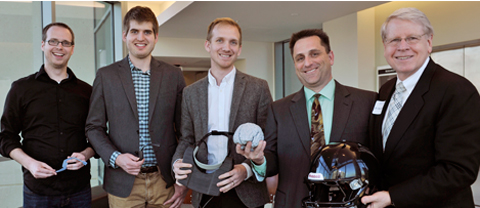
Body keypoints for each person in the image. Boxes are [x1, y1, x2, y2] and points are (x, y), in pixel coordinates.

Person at [242, 29, 377, 208]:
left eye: (314, 54)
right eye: (300, 58)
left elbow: (378, 158)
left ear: (331, 57)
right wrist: (259, 160)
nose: (307, 63)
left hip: (350, 203)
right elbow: (272, 160)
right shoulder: (278, 109)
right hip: (292, 202)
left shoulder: (366, 102)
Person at [361, 7, 480, 208]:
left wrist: (393, 197)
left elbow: (458, 170)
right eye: (394, 40)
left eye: (412, 38)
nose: (402, 46)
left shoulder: (456, 90)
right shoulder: (386, 89)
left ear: (429, 42)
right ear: (385, 46)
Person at [85, 6, 187, 208]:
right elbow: (93, 128)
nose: (141, 37)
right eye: (134, 31)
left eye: (147, 32)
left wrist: (181, 179)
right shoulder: (106, 76)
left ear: (156, 37)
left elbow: (185, 130)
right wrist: (116, 158)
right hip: (123, 183)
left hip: (164, 180)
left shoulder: (173, 75)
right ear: (124, 35)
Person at [171, 17, 272, 208]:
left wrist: (246, 169)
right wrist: (177, 162)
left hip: (246, 193)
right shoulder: (190, 93)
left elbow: (270, 141)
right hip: (205, 190)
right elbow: (186, 139)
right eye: (220, 41)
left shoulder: (258, 88)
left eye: (233, 42)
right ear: (208, 45)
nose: (227, 47)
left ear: (239, 48)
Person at [0, 22, 94, 207]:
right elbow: (5, 138)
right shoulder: (21, 89)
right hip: (38, 192)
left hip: (79, 190)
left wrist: (85, 154)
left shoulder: (87, 91)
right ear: (43, 45)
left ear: (72, 49)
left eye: (65, 43)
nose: (59, 47)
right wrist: (30, 164)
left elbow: (98, 135)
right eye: (53, 41)